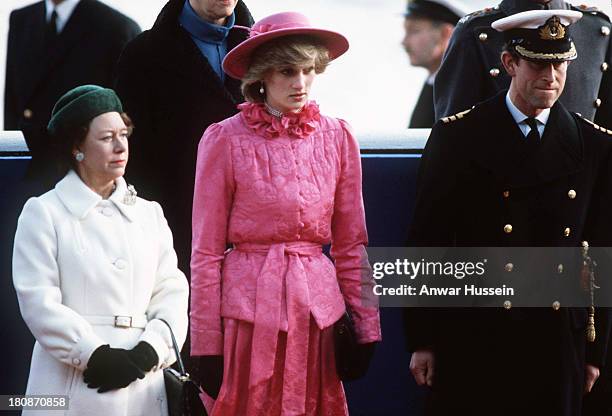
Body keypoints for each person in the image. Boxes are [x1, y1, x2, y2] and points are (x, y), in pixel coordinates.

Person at [405, 10, 612, 416]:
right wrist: (423, 340)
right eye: (537, 64)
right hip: (475, 332)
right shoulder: (458, 137)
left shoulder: (595, 146)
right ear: (509, 63)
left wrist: (595, 350)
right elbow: (429, 241)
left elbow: (602, 252)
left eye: (560, 64)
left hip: (555, 337)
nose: (550, 78)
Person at [190, 12, 382, 415]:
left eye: (309, 70)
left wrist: (366, 326)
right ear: (261, 76)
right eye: (287, 71)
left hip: (317, 318)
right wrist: (205, 344)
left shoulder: (338, 136)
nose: (300, 83)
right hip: (247, 317)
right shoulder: (223, 138)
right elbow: (205, 252)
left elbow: (351, 243)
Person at [12, 85, 189, 416]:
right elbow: (38, 301)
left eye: (124, 134)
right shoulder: (44, 212)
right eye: (107, 138)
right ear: (77, 146)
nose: (121, 146)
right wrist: (92, 354)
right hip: (71, 385)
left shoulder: (149, 213)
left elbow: (172, 292)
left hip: (142, 385)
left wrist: (152, 350)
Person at [114, 0, 254, 278]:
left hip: (254, 241)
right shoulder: (143, 55)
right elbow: (131, 160)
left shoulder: (264, 49)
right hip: (176, 236)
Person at [4, 0, 141, 190]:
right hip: (25, 173)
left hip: (80, 180)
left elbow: (122, 122)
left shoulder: (117, 29)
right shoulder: (21, 19)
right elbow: (13, 104)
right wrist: (9, 166)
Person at [434, 0, 612, 126]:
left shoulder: (596, 28)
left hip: (580, 174)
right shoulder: (475, 31)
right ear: (508, 62)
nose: (550, 76)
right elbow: (454, 138)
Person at [402, 0, 467, 128]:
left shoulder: (461, 91)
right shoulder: (436, 83)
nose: (404, 42)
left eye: (414, 31)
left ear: (445, 34)